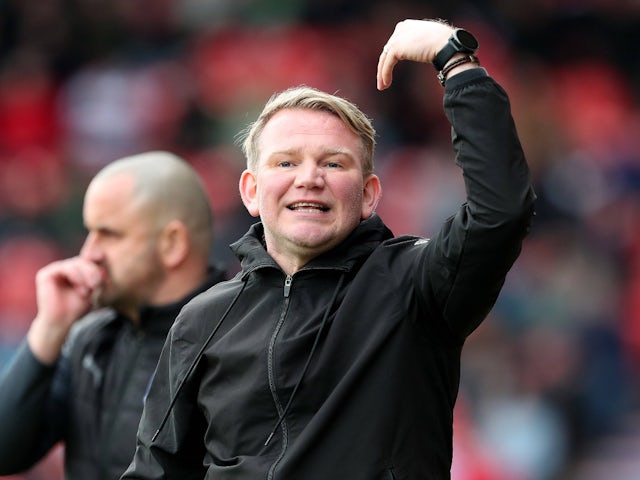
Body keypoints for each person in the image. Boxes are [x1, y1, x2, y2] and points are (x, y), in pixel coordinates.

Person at [122, 19, 536, 480]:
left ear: (370, 195)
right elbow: (154, 471)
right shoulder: (202, 320)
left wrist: (453, 59)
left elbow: (501, 210)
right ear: (251, 191)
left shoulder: (416, 285)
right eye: (286, 161)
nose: (309, 177)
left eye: (333, 163)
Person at [0, 152, 227, 480]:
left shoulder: (234, 337)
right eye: (89, 232)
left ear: (173, 244)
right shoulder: (90, 339)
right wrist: (49, 328)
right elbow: (6, 453)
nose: (89, 252)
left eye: (109, 234)